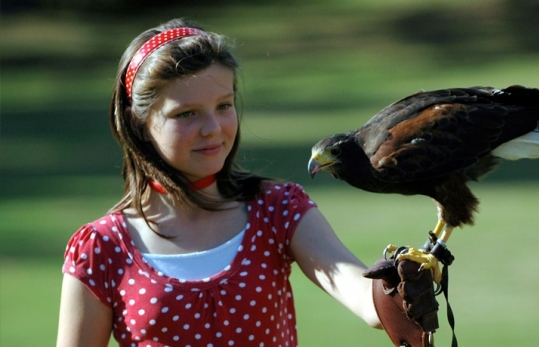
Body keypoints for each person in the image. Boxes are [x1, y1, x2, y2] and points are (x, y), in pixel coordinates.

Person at [56, 18, 384, 347]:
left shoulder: (278, 209)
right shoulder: (100, 249)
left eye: (223, 106)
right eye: (187, 113)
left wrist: (400, 287)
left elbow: (366, 298)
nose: (212, 127)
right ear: (137, 122)